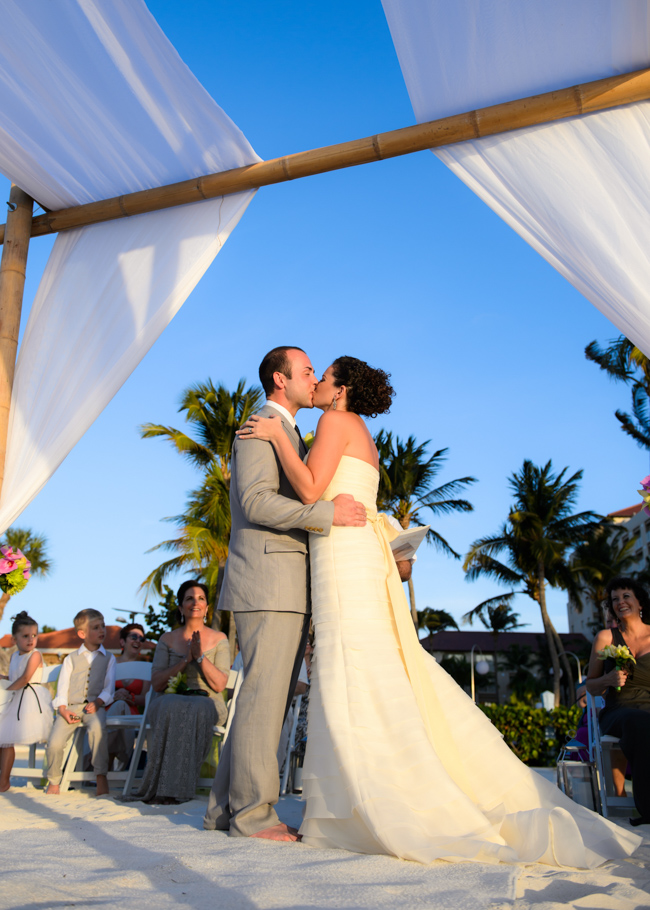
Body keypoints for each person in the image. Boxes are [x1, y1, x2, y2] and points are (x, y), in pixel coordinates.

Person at [236, 354, 640, 866]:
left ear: (341, 390)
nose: (315, 382)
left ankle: (366, 798)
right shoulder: (354, 427)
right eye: (309, 373)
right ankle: (355, 796)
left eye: (324, 375)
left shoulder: (335, 421)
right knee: (359, 670)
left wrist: (274, 438)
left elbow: (313, 490)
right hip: (347, 555)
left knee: (354, 669)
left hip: (343, 559)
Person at [203, 345, 367, 841]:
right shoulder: (260, 426)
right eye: (307, 370)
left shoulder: (290, 432)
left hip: (285, 583)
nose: (314, 377)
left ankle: (223, 813)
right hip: (270, 583)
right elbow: (254, 502)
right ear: (280, 379)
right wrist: (326, 515)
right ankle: (254, 817)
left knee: (262, 700)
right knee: (263, 701)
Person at [131, 580, 229, 805]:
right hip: (168, 699)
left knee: (195, 707)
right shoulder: (166, 639)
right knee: (171, 705)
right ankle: (163, 787)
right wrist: (186, 659)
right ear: (180, 607)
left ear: (206, 607)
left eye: (201, 598)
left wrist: (200, 657)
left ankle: (179, 788)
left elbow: (220, 685)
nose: (195, 602)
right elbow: (156, 684)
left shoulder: (219, 639)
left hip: (207, 700)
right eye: (189, 598)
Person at [586, 576, 650, 826]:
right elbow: (591, 685)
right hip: (619, 710)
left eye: (626, 596)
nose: (620, 602)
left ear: (640, 602)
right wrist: (608, 679)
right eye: (614, 599)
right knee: (640, 722)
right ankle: (647, 808)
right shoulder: (606, 637)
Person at [46, 609, 115, 797]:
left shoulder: (109, 658)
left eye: (103, 626)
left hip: (95, 706)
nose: (102, 630)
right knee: (54, 742)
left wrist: (99, 702)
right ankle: (54, 779)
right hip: (70, 708)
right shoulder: (70, 659)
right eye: (95, 627)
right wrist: (62, 709)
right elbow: (62, 687)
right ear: (82, 634)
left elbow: (109, 688)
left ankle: (101, 776)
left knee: (98, 732)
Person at [0, 611, 53, 791]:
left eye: (34, 635)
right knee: (5, 739)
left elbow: (24, 679)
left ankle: (4, 780)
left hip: (30, 702)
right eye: (25, 636)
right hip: (16, 698)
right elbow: (14, 676)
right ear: (15, 638)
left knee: (6, 736)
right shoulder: (15, 656)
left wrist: (5, 691)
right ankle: (4, 779)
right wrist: (4, 677)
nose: (31, 640)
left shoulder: (35, 655)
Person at [106, 623, 151, 768]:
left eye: (141, 638)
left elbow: (145, 699)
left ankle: (99, 766)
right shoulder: (110, 664)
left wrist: (129, 697)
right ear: (122, 641)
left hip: (132, 717)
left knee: (122, 709)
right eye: (133, 636)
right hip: (109, 712)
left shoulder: (145, 667)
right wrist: (115, 695)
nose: (138, 640)